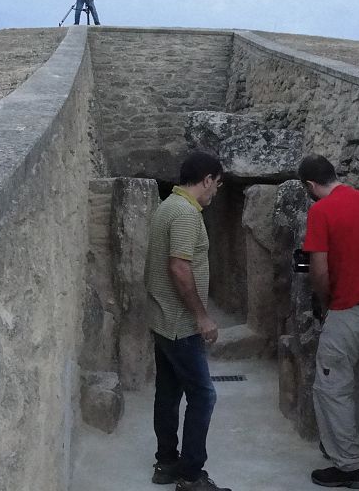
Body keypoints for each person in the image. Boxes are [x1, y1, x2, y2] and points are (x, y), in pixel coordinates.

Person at [298, 154, 359, 489]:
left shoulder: (321, 211)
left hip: (350, 307)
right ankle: (340, 447)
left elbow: (319, 269)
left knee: (330, 386)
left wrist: (326, 304)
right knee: (349, 381)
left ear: (311, 185)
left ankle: (350, 467)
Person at [145, 151, 231, 491]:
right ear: (207, 180)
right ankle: (191, 475)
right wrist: (202, 317)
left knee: (168, 392)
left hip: (162, 320)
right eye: (217, 184)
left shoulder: (168, 206)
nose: (216, 191)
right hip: (180, 324)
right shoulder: (185, 214)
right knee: (203, 396)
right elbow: (179, 267)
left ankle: (166, 462)